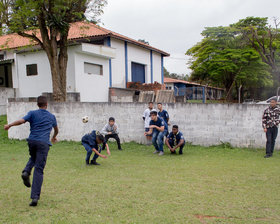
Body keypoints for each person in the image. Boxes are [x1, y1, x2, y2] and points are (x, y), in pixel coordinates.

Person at [4, 95, 58, 207]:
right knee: (39, 169)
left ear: (37, 105)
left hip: (32, 141)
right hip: (43, 143)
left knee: (33, 158)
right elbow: (56, 129)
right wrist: (54, 137)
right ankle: (35, 197)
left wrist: (10, 125)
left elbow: (21, 121)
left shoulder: (32, 113)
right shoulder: (51, 116)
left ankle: (26, 171)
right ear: (46, 104)